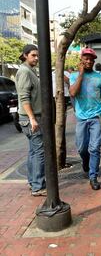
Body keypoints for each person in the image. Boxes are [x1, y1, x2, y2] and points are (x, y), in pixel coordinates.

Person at [69, 48, 101, 191]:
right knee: (82, 148)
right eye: (86, 58)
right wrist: (81, 74)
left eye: (91, 59)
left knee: (95, 148)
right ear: (81, 59)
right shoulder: (74, 76)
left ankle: (93, 176)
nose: (88, 61)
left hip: (97, 117)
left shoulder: (99, 78)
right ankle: (86, 162)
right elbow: (73, 93)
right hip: (81, 118)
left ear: (94, 61)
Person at [15, 44, 46, 196]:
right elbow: (24, 97)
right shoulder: (24, 71)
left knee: (34, 151)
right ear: (25, 55)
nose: (36, 58)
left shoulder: (30, 70)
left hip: (32, 117)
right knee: (38, 152)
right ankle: (37, 186)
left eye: (37, 55)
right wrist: (33, 119)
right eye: (33, 55)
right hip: (30, 118)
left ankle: (34, 182)